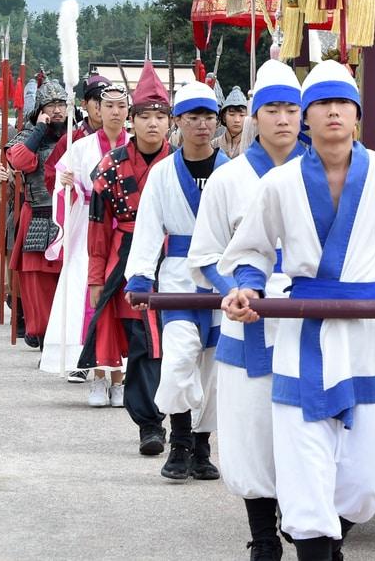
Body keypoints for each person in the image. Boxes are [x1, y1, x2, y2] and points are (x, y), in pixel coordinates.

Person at [222, 59, 375, 561]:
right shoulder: (280, 183)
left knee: (361, 484)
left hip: (367, 337)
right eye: (322, 104)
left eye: (343, 104)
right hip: (301, 333)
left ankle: (328, 535)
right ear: (306, 117)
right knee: (305, 474)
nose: (333, 113)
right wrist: (248, 287)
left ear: (356, 115)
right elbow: (251, 250)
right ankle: (314, 543)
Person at [188, 60, 303, 561]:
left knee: (310, 429)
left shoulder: (325, 173)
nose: (282, 119)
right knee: (252, 430)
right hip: (248, 318)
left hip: (310, 317)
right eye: (271, 109)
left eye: (292, 109)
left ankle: (310, 524)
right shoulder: (228, 179)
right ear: (254, 116)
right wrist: (236, 289)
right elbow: (207, 255)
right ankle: (262, 535)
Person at [123, 80, 228, 482]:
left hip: (224, 282)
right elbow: (149, 228)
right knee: (179, 361)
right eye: (193, 117)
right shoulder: (163, 174)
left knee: (214, 371)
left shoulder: (233, 171)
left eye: (208, 117)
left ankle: (202, 448)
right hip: (179, 282)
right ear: (178, 123)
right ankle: (180, 440)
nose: (201, 125)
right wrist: (140, 277)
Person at [77, 58, 171, 455]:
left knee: (176, 343)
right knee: (140, 341)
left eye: (160, 116)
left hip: (177, 258)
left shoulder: (180, 165)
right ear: (131, 119)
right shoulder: (110, 166)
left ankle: (183, 427)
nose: (153, 123)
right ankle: (149, 424)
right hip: (128, 259)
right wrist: (97, 278)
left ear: (170, 121)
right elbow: (99, 227)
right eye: (145, 115)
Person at [43, 81, 130, 384]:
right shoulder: (79, 148)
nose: (115, 112)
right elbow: (62, 190)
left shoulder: (135, 145)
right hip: (90, 233)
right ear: (97, 109)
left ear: (128, 110)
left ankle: (122, 368)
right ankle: (85, 361)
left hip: (125, 233)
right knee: (85, 290)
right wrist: (67, 185)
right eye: (108, 106)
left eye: (121, 106)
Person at [3, 78, 70, 349]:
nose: (57, 110)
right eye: (50, 105)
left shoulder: (78, 136)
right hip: (39, 215)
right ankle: (41, 334)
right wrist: (40, 130)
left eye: (61, 104)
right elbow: (20, 161)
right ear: (40, 109)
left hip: (70, 215)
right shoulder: (28, 137)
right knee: (37, 282)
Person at [215, 86, 249, 157]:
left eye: (242, 115)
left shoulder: (252, 145)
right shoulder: (214, 145)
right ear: (224, 117)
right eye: (232, 114)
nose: (237, 120)